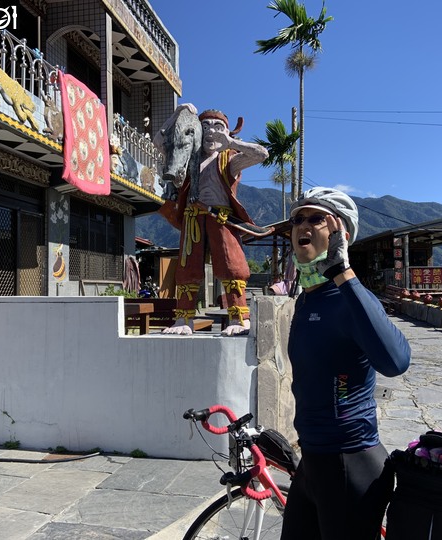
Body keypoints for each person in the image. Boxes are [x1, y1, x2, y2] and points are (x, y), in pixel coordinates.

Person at [281, 187, 411, 539]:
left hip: (351, 463)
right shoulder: (308, 299)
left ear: (341, 234)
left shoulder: (349, 297)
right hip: (313, 463)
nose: (302, 225)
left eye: (315, 218)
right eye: (298, 219)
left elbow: (396, 361)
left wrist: (344, 272)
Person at [154, 104, 268, 336]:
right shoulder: (188, 159)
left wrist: (232, 143)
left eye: (218, 127)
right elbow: (159, 142)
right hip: (192, 217)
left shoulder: (229, 159)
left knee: (232, 265)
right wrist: (178, 114)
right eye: (205, 127)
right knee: (187, 268)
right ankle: (183, 319)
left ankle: (239, 318)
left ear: (227, 132)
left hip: (221, 218)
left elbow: (262, 154)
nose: (212, 132)